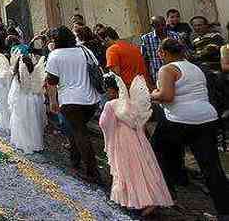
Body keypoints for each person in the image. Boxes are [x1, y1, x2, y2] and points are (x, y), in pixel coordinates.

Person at [150, 38, 229, 218]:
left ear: (163, 53)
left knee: (156, 152)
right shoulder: (195, 67)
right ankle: (224, 210)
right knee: (211, 166)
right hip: (207, 118)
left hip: (179, 119)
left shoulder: (167, 69)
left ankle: (166, 194)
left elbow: (167, 96)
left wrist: (152, 94)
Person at [99, 74, 173, 216]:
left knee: (127, 169)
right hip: (139, 139)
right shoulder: (131, 103)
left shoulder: (111, 104)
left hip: (122, 140)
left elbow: (103, 123)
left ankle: (137, 201)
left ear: (111, 90)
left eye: (107, 90)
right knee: (144, 168)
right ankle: (152, 198)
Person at [45, 26, 102, 183]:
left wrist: (53, 101)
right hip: (91, 99)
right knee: (77, 130)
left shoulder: (55, 56)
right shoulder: (85, 50)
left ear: (55, 41)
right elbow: (97, 68)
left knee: (80, 133)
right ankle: (75, 159)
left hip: (70, 100)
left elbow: (52, 82)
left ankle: (93, 172)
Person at [8, 54, 47, 154]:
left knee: (23, 123)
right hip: (34, 100)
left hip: (22, 101)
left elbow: (14, 93)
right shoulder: (36, 73)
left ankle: (23, 142)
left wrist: (12, 104)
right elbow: (40, 89)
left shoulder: (17, 77)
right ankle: (35, 143)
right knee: (34, 122)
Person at [141, 16, 183, 84]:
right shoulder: (146, 39)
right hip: (157, 74)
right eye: (157, 25)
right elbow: (145, 59)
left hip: (175, 71)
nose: (161, 27)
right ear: (152, 26)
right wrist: (148, 77)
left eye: (163, 25)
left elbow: (181, 54)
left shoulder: (175, 36)